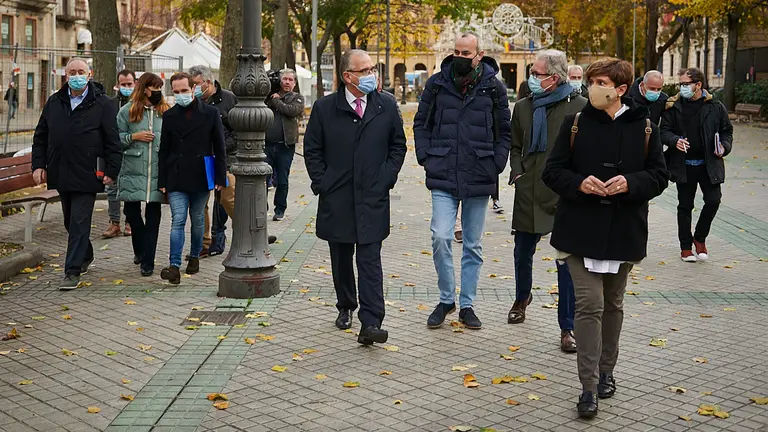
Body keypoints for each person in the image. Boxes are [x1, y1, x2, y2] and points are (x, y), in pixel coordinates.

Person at [542, 58, 669, 418]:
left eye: (601, 82)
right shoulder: (575, 123)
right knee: (590, 304)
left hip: (622, 233)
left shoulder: (645, 127)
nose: (594, 88)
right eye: (592, 81)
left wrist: (631, 182)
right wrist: (579, 183)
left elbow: (659, 176)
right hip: (579, 231)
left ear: (621, 89)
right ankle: (587, 387)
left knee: (612, 305)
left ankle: (606, 371)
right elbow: (553, 172)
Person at [304, 49, 406, 345]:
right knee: (341, 257)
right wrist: (323, 182)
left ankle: (371, 321)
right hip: (337, 197)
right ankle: (346, 305)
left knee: (370, 259)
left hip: (372, 196)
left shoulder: (385, 105)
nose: (371, 75)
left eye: (372, 69)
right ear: (347, 76)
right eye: (364, 71)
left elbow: (397, 145)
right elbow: (312, 149)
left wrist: (386, 177)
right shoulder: (325, 108)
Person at [414, 32, 511, 330]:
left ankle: (467, 304)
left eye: (466, 53)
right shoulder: (437, 83)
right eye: (456, 51)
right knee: (441, 236)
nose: (460, 57)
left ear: (479, 54)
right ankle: (446, 299)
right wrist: (425, 156)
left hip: (479, 172)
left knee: (472, 244)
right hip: (443, 170)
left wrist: (496, 162)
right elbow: (421, 122)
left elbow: (504, 131)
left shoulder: (494, 88)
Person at [508, 49, 586, 353]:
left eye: (537, 73)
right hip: (528, 189)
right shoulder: (523, 107)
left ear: (554, 77)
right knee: (522, 252)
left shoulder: (579, 107)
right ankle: (521, 298)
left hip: (563, 194)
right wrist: (517, 172)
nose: (532, 77)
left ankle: (568, 327)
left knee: (566, 262)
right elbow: (515, 145)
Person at [31, 57, 122, 290]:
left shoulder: (103, 104)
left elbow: (113, 141)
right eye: (72, 72)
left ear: (89, 74)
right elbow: (41, 136)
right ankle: (86, 254)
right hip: (61, 172)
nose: (76, 75)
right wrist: (38, 165)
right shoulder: (54, 102)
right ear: (66, 75)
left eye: (81, 71)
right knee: (70, 222)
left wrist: (112, 171)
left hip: (88, 174)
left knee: (80, 221)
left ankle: (71, 271)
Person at [158, 72, 227, 284]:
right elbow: (164, 150)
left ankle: (195, 255)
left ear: (193, 89)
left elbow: (220, 146)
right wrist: (162, 181)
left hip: (200, 174)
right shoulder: (169, 116)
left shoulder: (210, 113)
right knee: (177, 220)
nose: (180, 95)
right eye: (176, 92)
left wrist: (219, 176)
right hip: (177, 175)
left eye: (184, 90)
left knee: (197, 220)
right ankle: (174, 265)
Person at [660, 67, 733, 262]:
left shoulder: (715, 106)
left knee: (713, 200)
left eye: (685, 84)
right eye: (680, 84)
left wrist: (724, 147)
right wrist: (674, 140)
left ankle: (699, 238)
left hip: (709, 164)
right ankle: (685, 247)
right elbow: (663, 131)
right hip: (684, 164)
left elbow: (727, 131)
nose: (682, 88)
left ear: (698, 85)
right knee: (685, 206)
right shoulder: (673, 106)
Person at [116, 73, 169, 277]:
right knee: (131, 213)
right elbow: (115, 139)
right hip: (132, 169)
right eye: (154, 88)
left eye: (159, 88)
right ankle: (141, 250)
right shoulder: (127, 111)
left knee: (154, 216)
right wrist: (133, 136)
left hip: (156, 171)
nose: (157, 92)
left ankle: (148, 261)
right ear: (144, 88)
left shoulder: (165, 111)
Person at [188, 65, 238, 258]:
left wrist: (221, 147)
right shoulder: (192, 102)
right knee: (201, 204)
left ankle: (249, 233)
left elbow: (238, 130)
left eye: (196, 85)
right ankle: (204, 242)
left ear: (208, 83)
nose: (193, 89)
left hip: (225, 158)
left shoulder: (228, 99)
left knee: (228, 198)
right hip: (200, 159)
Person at [266, 68, 304, 222]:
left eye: (290, 80)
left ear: (294, 83)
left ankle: (280, 209)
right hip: (267, 145)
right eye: (284, 79)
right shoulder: (268, 97)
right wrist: (272, 97)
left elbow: (291, 111)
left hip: (285, 146)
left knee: (282, 180)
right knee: (263, 179)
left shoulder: (297, 98)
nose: (287, 82)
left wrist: (276, 101)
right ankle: (262, 207)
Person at [103, 69, 137, 239]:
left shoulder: (139, 105)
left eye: (129, 84)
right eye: (123, 84)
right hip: (113, 152)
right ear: (117, 85)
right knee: (112, 189)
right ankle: (114, 222)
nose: (126, 87)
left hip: (132, 152)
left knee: (130, 189)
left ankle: (130, 222)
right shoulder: (110, 104)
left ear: (135, 84)